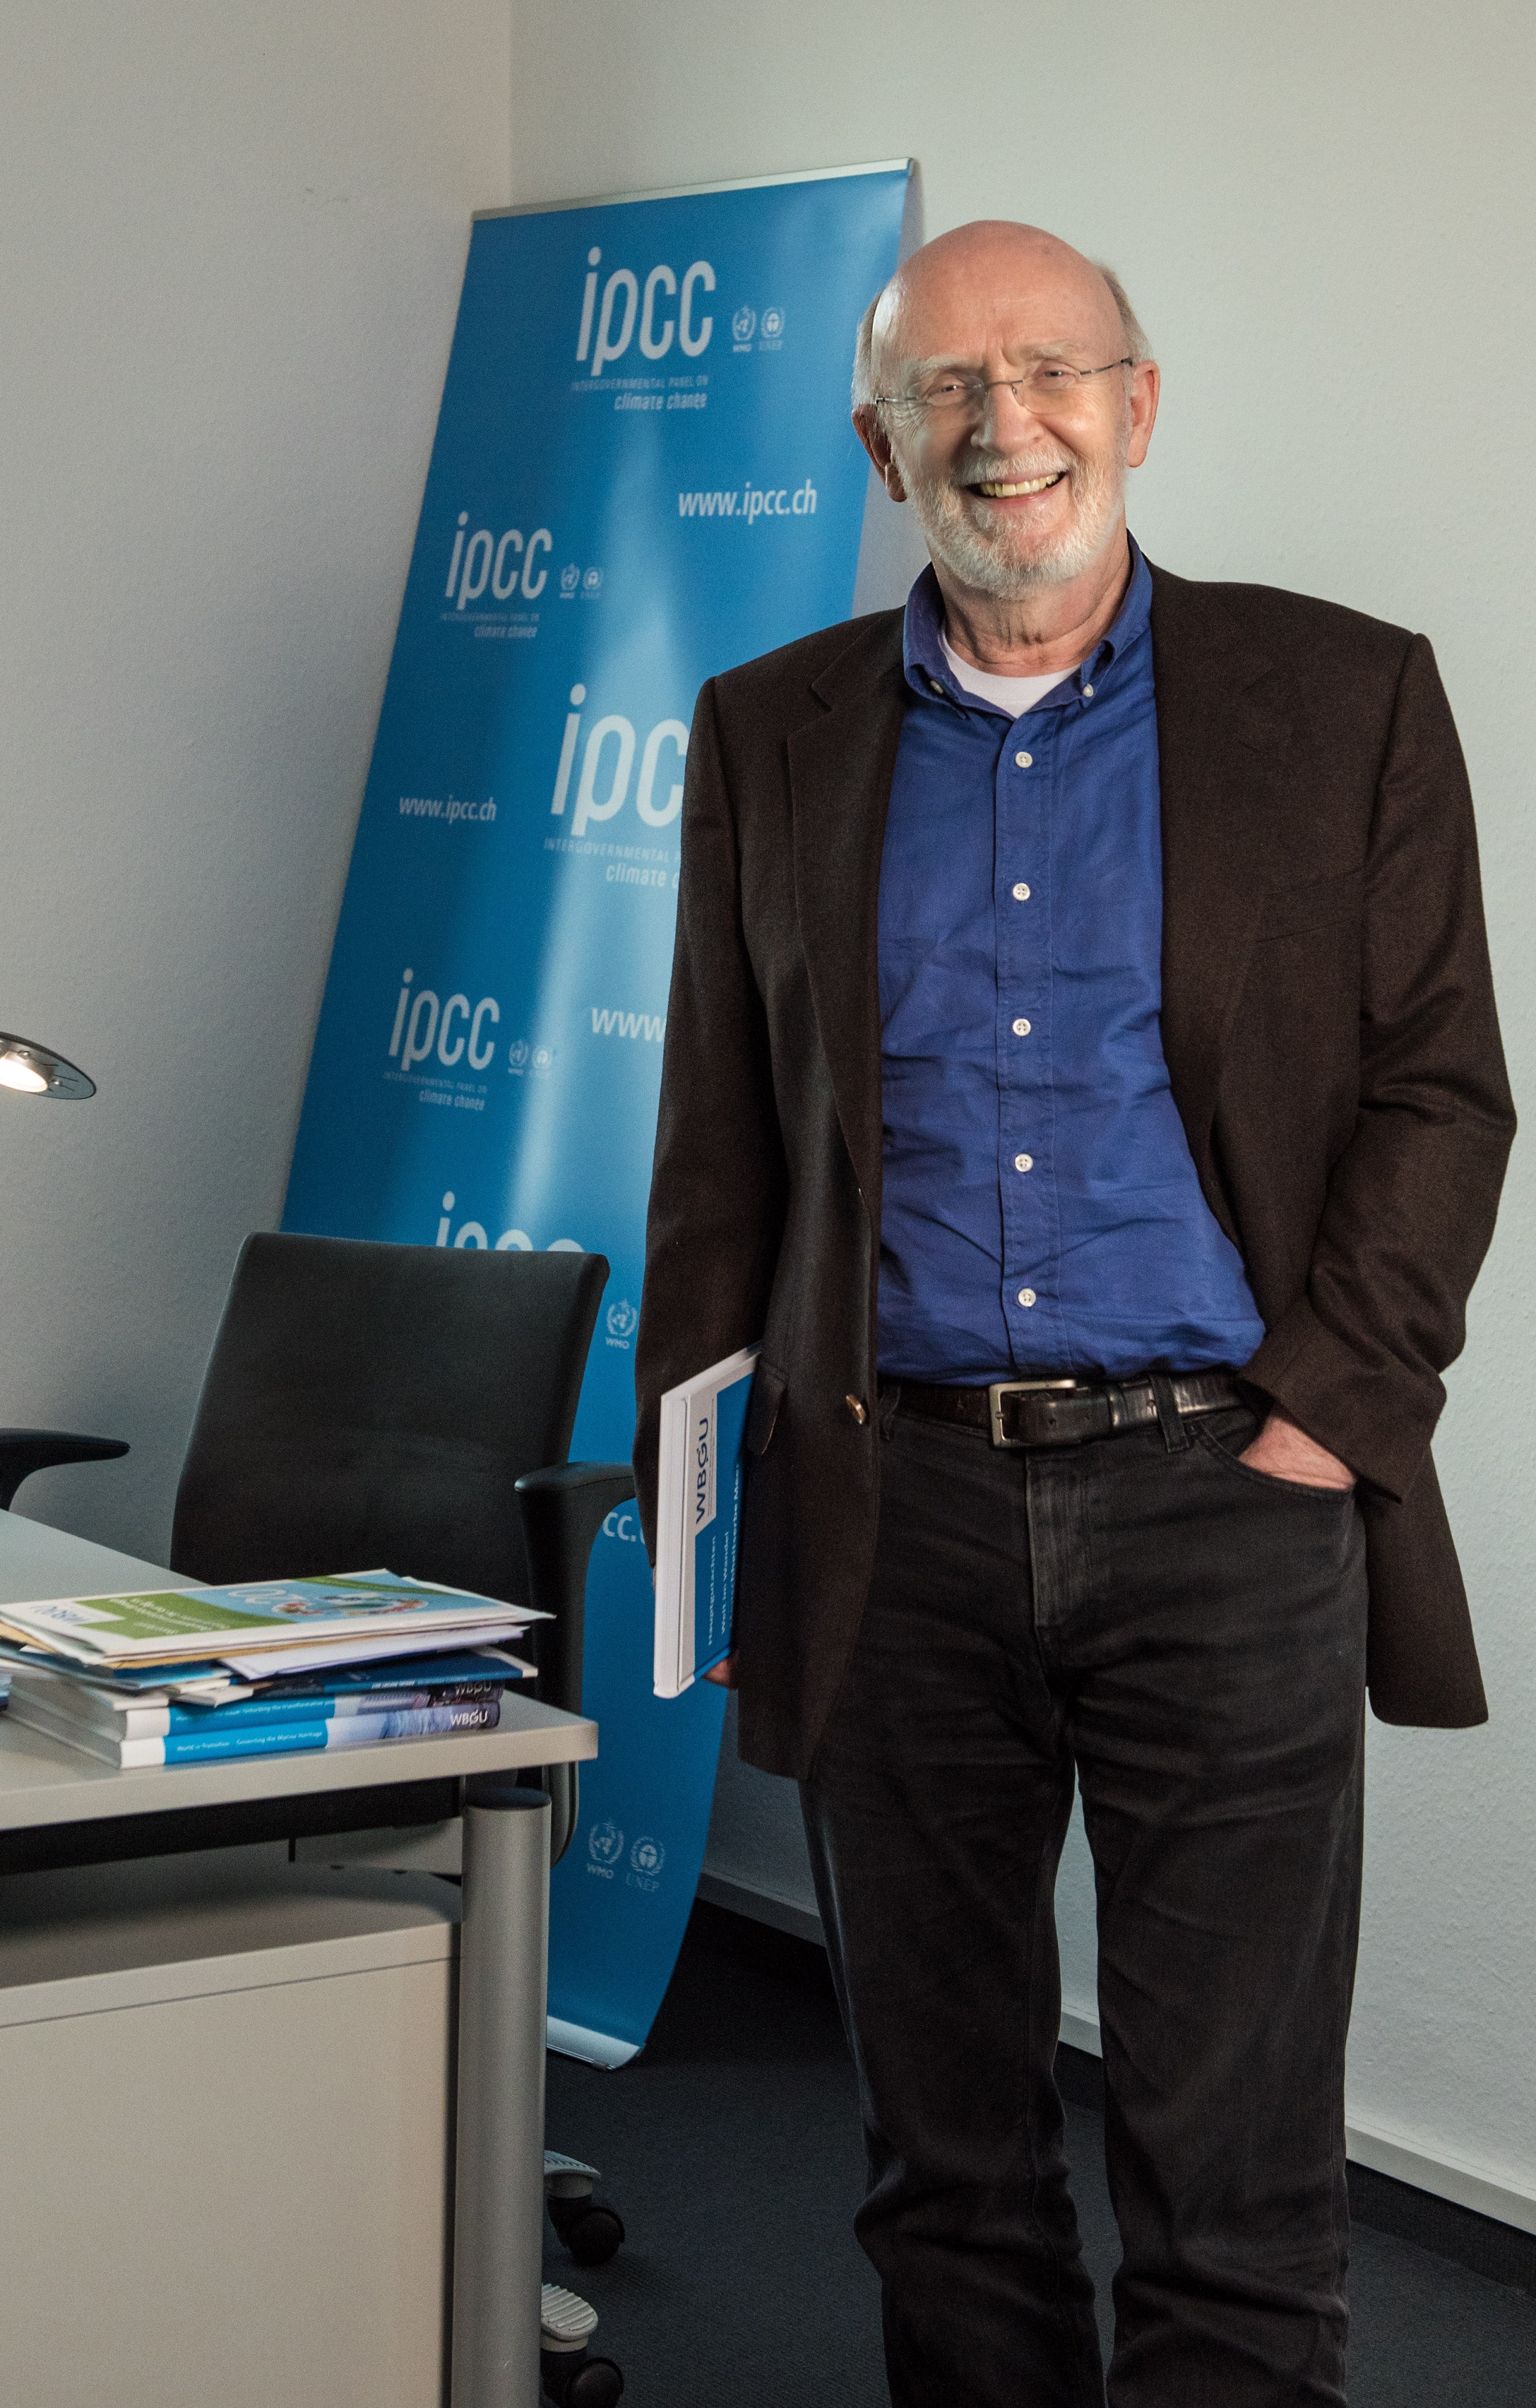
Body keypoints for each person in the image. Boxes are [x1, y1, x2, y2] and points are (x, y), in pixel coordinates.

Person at [633, 219, 1514, 2407]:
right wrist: (709, 1510)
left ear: (1136, 407)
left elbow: (1441, 1092)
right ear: (880, 444)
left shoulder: (1343, 697)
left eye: (1045, 372)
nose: (997, 424)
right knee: (944, 2168)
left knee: (1234, 2183)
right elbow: (719, 1149)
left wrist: (1322, 1419)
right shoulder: (770, 729)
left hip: (1229, 1500)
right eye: (942, 386)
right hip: (892, 1513)